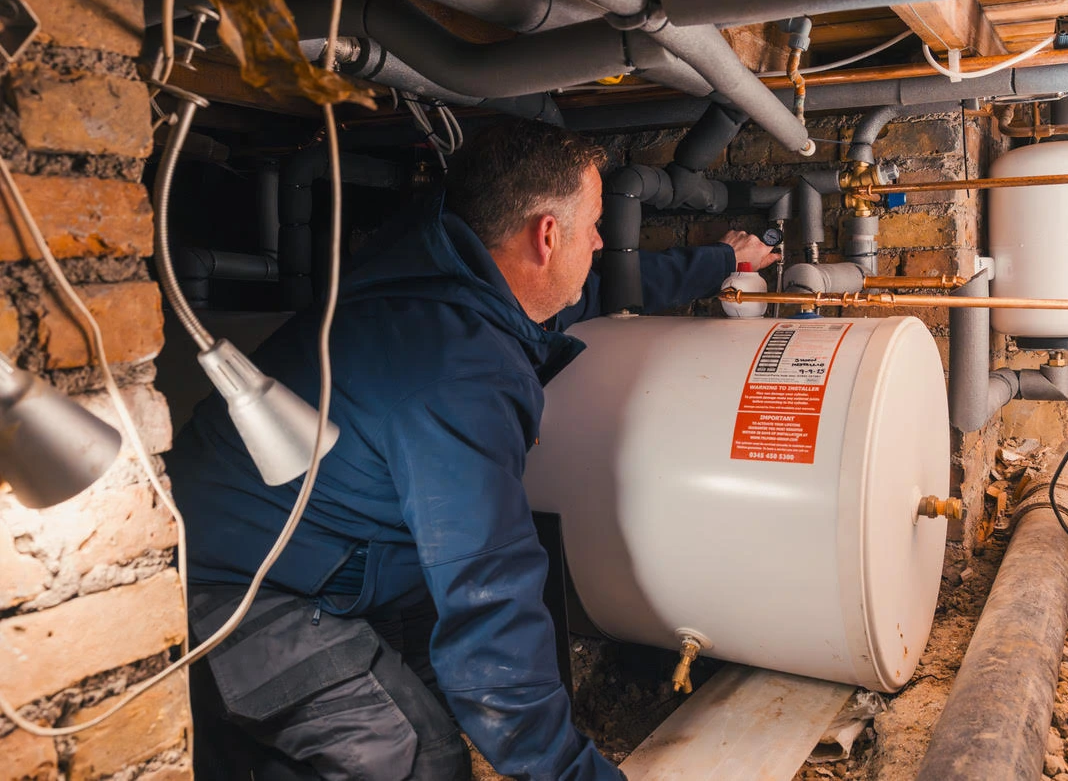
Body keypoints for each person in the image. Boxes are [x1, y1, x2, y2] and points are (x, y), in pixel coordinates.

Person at [168, 119, 777, 780]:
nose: (604, 243)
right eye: (596, 225)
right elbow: (490, 596)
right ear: (547, 236)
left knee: (446, 702)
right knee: (413, 757)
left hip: (333, 558)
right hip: (232, 586)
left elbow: (597, 288)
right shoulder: (455, 368)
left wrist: (721, 263)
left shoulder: (451, 276)